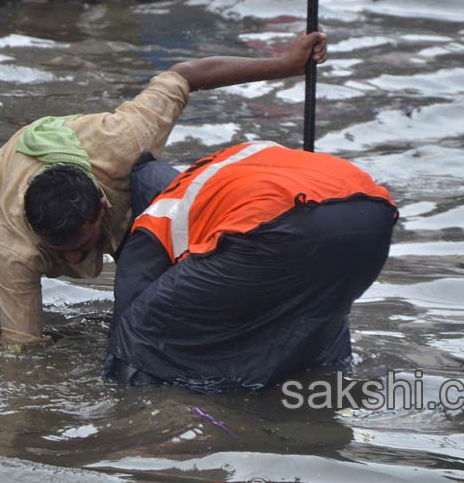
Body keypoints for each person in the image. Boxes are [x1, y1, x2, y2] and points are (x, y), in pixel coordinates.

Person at [0, 30, 328, 347]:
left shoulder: (126, 138)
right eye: (61, 253)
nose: (72, 261)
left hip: (113, 181)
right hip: (6, 177)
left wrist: (285, 65)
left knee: (164, 300)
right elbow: (21, 347)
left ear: (101, 207)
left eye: (80, 247)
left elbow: (185, 75)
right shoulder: (17, 248)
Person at [103, 141, 398, 392]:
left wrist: (113, 371)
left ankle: (133, 416)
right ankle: (322, 388)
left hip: (284, 224)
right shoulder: (222, 170)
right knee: (315, 314)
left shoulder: (158, 213)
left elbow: (129, 311)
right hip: (374, 217)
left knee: (139, 331)